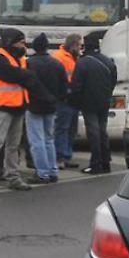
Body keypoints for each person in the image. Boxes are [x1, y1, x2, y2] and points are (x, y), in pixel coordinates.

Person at [0, 28, 35, 193]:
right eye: (21, 42)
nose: (23, 45)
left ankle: (13, 177)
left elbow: (22, 76)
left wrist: (25, 75)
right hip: (1, 106)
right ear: (12, 41)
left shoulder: (18, 57)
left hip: (18, 105)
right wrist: (26, 74)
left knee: (13, 145)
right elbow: (12, 75)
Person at [69, 31, 117, 174]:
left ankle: (95, 164)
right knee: (103, 131)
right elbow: (113, 82)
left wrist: (75, 102)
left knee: (94, 133)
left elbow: (76, 86)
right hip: (105, 101)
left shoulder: (82, 63)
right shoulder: (108, 62)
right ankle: (106, 162)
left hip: (88, 103)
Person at [25, 33, 68, 183]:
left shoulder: (28, 63)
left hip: (33, 106)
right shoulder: (56, 64)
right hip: (51, 106)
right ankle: (52, 171)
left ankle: (42, 173)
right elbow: (64, 87)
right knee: (49, 139)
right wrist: (57, 100)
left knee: (37, 141)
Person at [52, 33, 83, 169]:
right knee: (62, 128)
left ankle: (66, 155)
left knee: (70, 129)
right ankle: (60, 156)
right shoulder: (59, 57)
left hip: (73, 98)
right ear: (74, 45)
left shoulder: (74, 57)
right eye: (80, 45)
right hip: (63, 98)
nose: (81, 48)